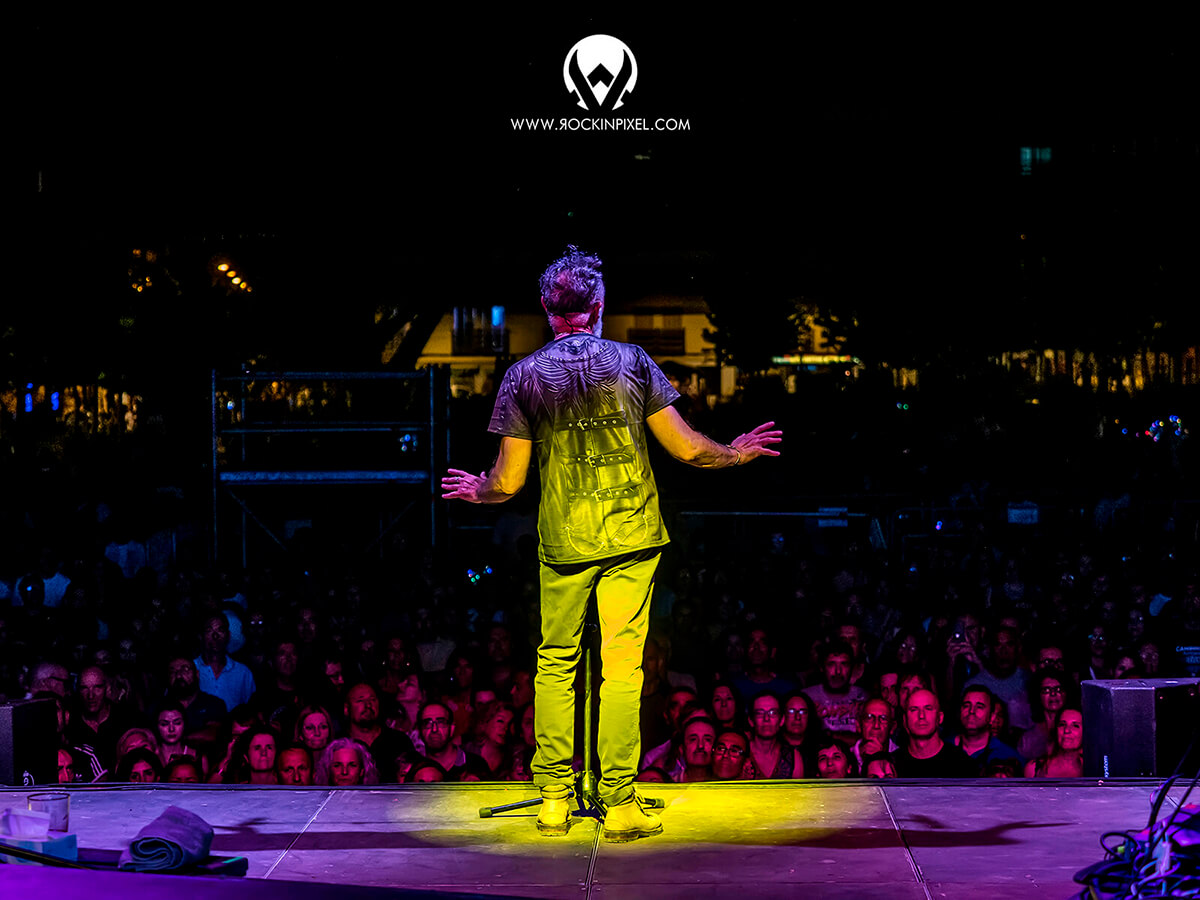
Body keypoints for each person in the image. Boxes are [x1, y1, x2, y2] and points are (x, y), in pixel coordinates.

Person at [443, 246, 781, 842]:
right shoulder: (633, 362)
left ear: (547, 308)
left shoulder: (522, 376)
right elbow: (687, 449)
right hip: (632, 534)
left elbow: (509, 482)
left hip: (565, 539)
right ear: (599, 305)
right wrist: (735, 453)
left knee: (555, 663)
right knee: (622, 669)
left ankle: (554, 800)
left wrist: (480, 490)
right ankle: (619, 802)